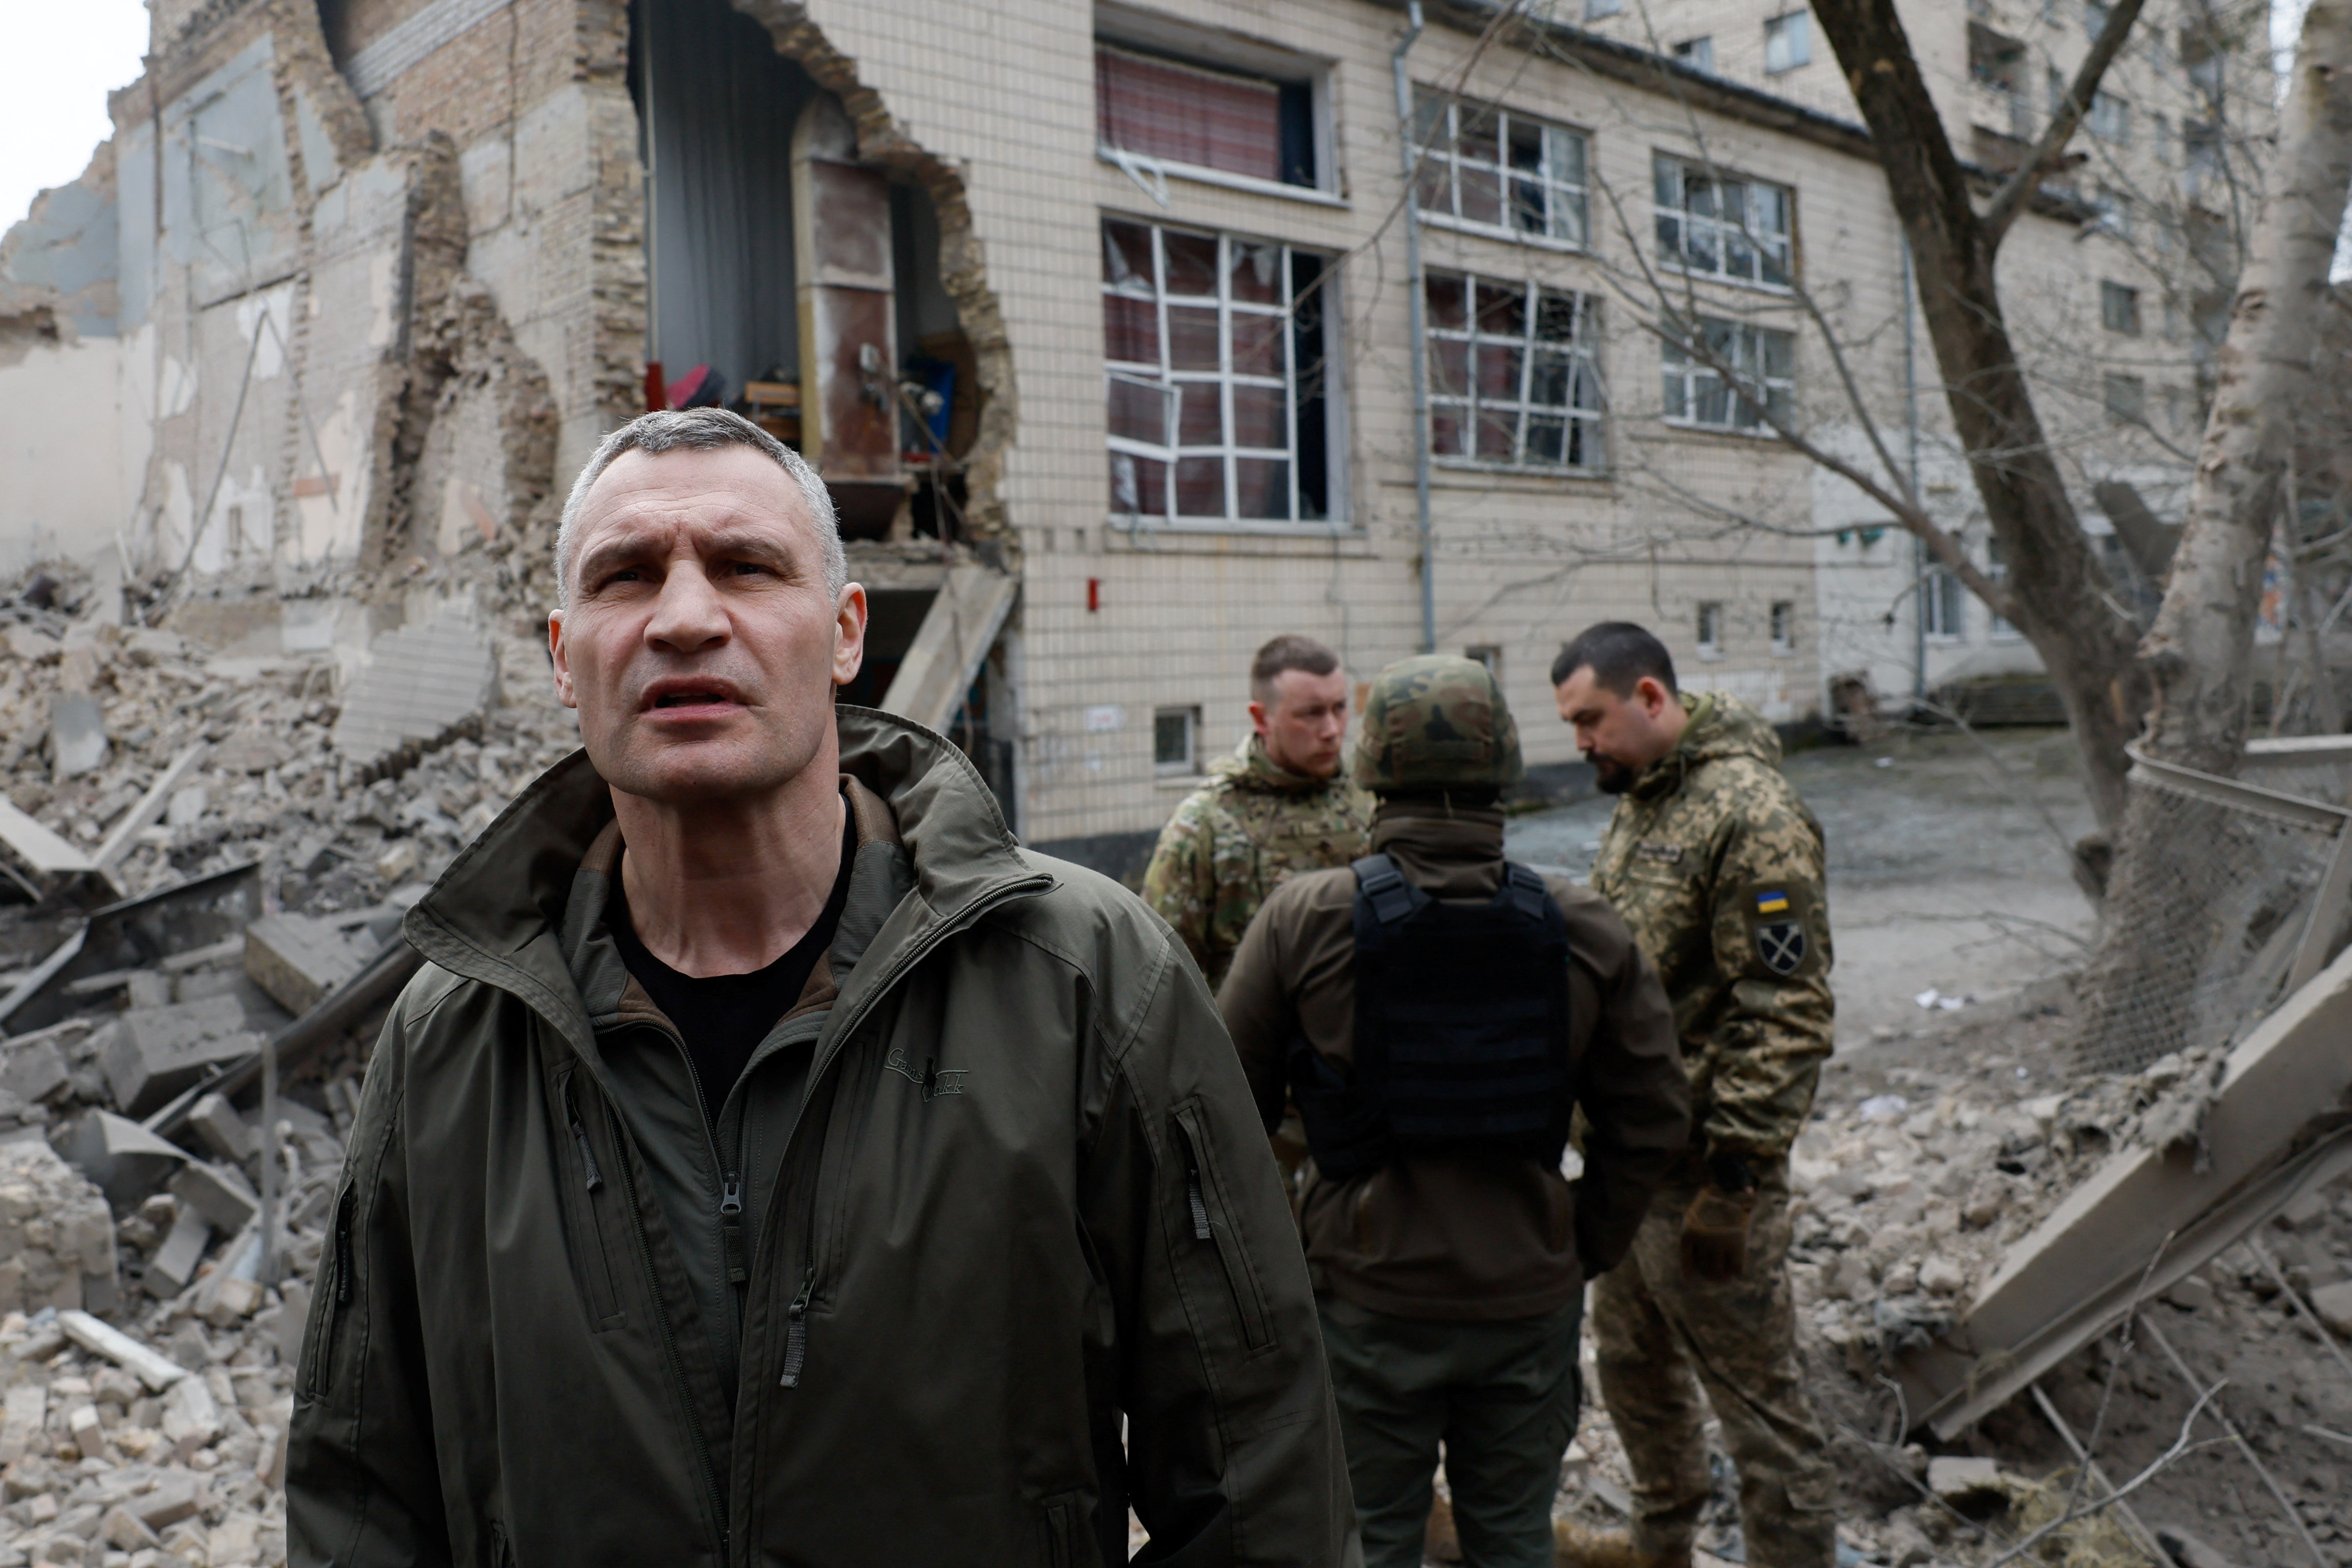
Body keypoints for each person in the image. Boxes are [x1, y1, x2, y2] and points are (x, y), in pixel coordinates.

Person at [286, 409, 1356, 1567]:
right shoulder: (450, 1039)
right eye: (624, 576)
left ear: (846, 633)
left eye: (746, 566)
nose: (685, 618)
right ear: (562, 656)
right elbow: (361, 1497)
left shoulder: (1085, 980)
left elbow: (1260, 1483)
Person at [1219, 655, 1692, 1568]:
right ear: (1503, 764)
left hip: (1364, 1300)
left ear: (1373, 765)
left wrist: (1294, 1253)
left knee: (1366, 1542)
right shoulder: (1585, 925)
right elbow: (1655, 1116)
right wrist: (1580, 1241)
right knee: (1513, 1541)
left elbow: (1219, 1112)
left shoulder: (1302, 918)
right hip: (1528, 1299)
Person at [1550, 623, 1838, 1568]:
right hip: (1630, 1170)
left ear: (1650, 696)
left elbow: (1786, 1007)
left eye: (1591, 718)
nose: (1581, 741)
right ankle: (1659, 1551)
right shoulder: (1648, 796)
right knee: (1638, 1381)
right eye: (1571, 723)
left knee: (1762, 1413)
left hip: (1706, 1180)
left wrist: (1738, 1175)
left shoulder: (1752, 813)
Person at [1143, 633, 1373, 993]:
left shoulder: (1369, 801)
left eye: (1340, 708)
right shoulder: (1205, 824)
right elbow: (1160, 977)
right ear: (1262, 718)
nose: (1332, 731)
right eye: (1311, 713)